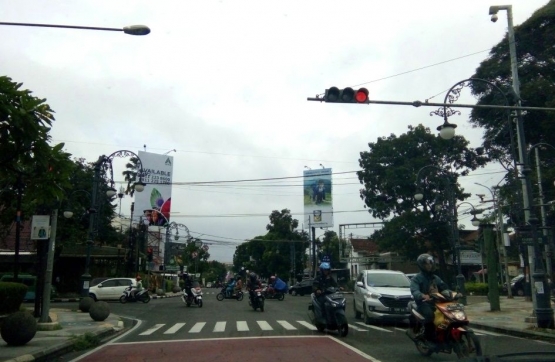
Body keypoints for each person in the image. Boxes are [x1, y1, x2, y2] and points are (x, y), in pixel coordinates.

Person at [410, 253, 452, 348]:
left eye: (430, 263)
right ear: (421, 265)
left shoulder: (435, 278)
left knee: (449, 314)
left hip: (437, 302)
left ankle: (445, 335)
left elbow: (444, 287)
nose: (429, 265)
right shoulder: (417, 278)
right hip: (424, 303)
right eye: (427, 264)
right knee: (430, 315)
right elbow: (414, 290)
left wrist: (452, 293)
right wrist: (422, 295)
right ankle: (429, 337)